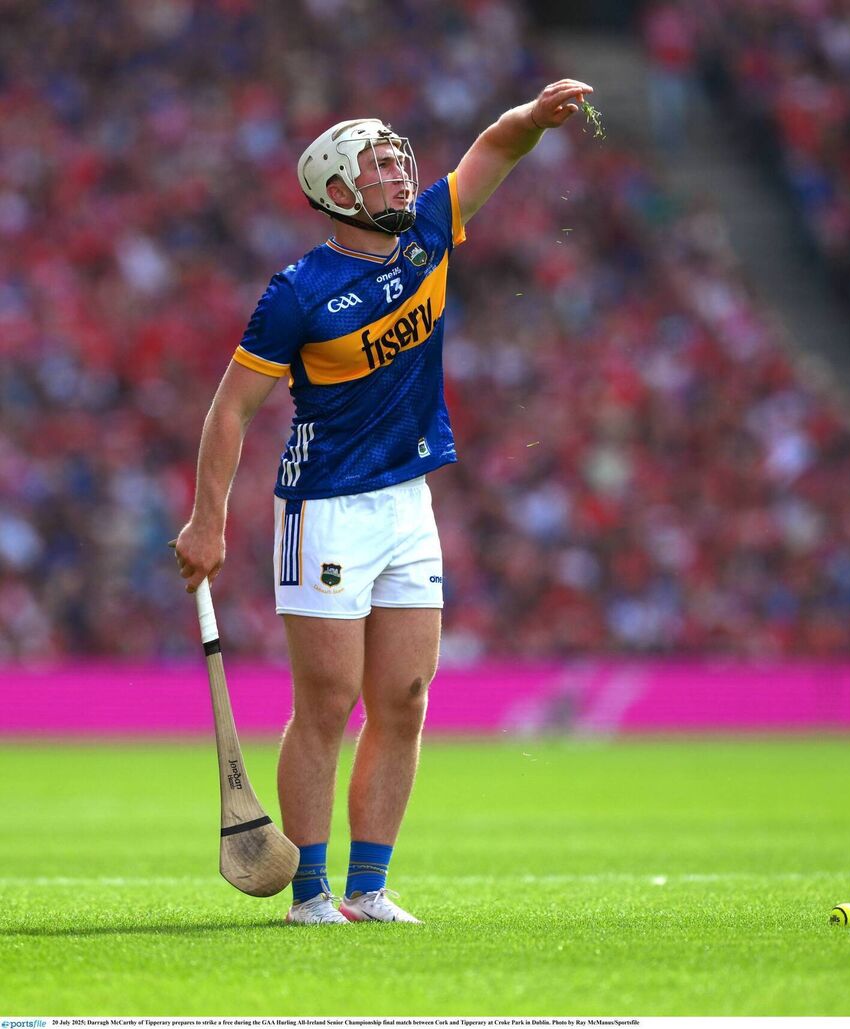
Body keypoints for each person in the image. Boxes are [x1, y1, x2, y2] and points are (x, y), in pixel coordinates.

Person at [174, 79, 594, 924]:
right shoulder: (297, 292)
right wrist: (206, 518)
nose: (401, 175)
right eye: (379, 167)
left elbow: (497, 151)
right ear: (336, 190)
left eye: (401, 161)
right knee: (327, 703)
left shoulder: (432, 231)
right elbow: (232, 408)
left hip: (409, 502)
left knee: (404, 695)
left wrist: (535, 116)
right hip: (326, 505)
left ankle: (369, 886)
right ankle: (310, 892)